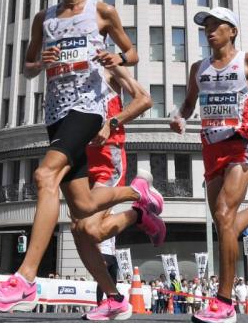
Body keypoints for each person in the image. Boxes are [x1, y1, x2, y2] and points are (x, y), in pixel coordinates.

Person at [0, 0, 163, 315]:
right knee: (83, 209)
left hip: (89, 110)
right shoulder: (43, 19)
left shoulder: (101, 12)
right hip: (56, 115)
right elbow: (29, 67)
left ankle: (25, 279)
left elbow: (132, 53)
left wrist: (118, 59)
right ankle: (113, 296)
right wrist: (38, 62)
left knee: (45, 175)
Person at [175, 7, 248, 323]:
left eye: (216, 25)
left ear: (232, 31)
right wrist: (180, 117)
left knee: (225, 215)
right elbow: (188, 103)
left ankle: (225, 302)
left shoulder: (247, 62)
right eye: (206, 26)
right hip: (211, 152)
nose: (209, 31)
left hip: (241, 149)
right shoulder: (198, 68)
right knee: (223, 224)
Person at [74, 64, 163, 320]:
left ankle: (138, 195)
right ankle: (140, 216)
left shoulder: (109, 68)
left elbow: (144, 100)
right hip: (81, 161)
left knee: (90, 230)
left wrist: (111, 123)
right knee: (81, 233)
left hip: (107, 161)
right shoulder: (69, 72)